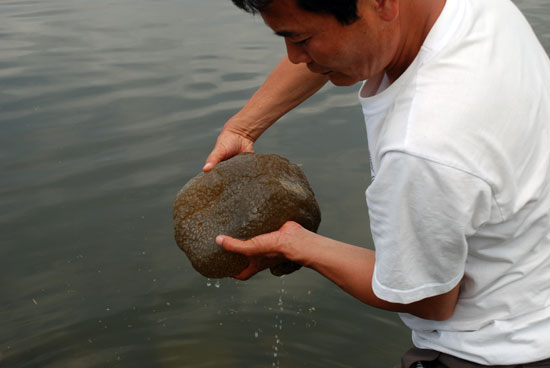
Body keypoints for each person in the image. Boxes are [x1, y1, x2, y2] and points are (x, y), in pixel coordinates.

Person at [202, 0, 550, 366]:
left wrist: (298, 245)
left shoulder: (424, 145)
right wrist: (243, 127)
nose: (293, 57)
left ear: (382, 4)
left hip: (499, 350)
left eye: (301, 39)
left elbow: (428, 300)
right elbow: (339, 36)